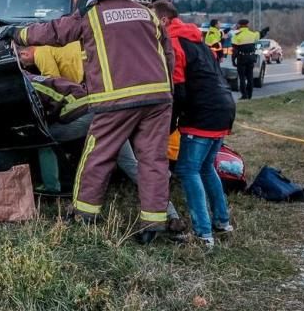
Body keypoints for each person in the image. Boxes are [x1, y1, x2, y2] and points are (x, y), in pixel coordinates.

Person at [2, 0, 174, 243]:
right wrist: (167, 93)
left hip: (114, 100)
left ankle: (84, 214)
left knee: (97, 157)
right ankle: (153, 224)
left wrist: (17, 34)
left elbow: (54, 33)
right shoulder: (148, 14)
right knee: (153, 160)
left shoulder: (92, 15)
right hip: (157, 98)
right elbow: (167, 56)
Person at [16, 43, 185, 230]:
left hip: (89, 115)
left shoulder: (28, 84)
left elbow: (51, 108)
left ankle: (53, 188)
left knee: (43, 137)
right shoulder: (38, 77)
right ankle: (171, 214)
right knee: (130, 164)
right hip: (107, 109)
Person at [152, 0, 235, 247]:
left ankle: (203, 234)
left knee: (187, 170)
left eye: (154, 22)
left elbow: (180, 92)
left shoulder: (174, 43)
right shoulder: (198, 41)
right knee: (206, 167)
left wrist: (168, 126)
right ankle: (222, 222)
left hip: (202, 114)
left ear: (164, 21)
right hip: (224, 107)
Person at [231, 19, 260, 100]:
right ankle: (250, 94)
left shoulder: (236, 36)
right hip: (251, 58)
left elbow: (234, 51)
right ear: (247, 25)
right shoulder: (253, 34)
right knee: (250, 76)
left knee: (242, 77)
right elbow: (259, 41)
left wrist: (233, 61)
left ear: (239, 25)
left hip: (242, 58)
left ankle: (244, 95)